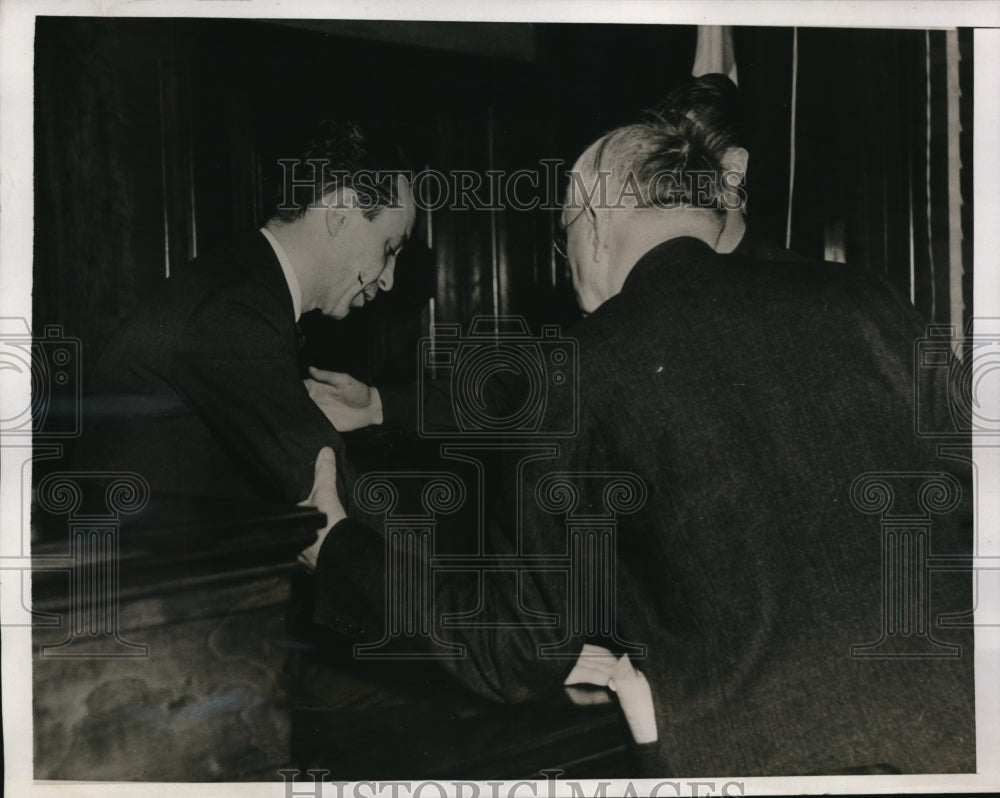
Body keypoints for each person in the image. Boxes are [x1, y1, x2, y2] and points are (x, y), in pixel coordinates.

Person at [304, 111, 975, 776]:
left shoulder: (576, 366)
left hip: (756, 761)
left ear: (593, 223)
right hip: (963, 736)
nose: (566, 269)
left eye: (562, 241)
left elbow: (512, 652)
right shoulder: (867, 297)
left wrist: (338, 547)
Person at [74, 121, 416, 536]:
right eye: (388, 249)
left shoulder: (242, 284)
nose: (389, 279)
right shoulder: (235, 310)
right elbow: (323, 480)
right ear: (340, 212)